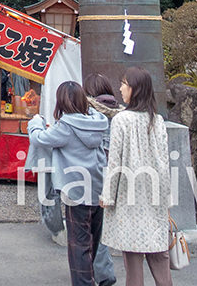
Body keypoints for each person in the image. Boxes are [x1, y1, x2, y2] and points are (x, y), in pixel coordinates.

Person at [30, 82, 109, 286]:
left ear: (62, 101)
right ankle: (98, 277)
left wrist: (36, 122)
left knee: (78, 244)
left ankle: (84, 283)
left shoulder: (66, 126)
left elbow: (39, 139)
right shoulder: (98, 121)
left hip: (76, 191)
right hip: (98, 187)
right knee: (94, 239)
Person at [102, 65, 173, 286]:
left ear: (135, 89)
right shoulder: (157, 120)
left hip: (129, 198)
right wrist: (166, 197)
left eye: (124, 83)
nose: (121, 88)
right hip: (154, 198)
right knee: (159, 254)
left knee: (132, 260)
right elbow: (164, 162)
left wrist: (107, 196)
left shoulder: (121, 120)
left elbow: (115, 163)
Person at [84, 73, 124, 286]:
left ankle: (102, 273)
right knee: (103, 226)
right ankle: (102, 271)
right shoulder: (121, 112)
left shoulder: (89, 113)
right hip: (117, 174)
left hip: (93, 175)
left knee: (93, 227)